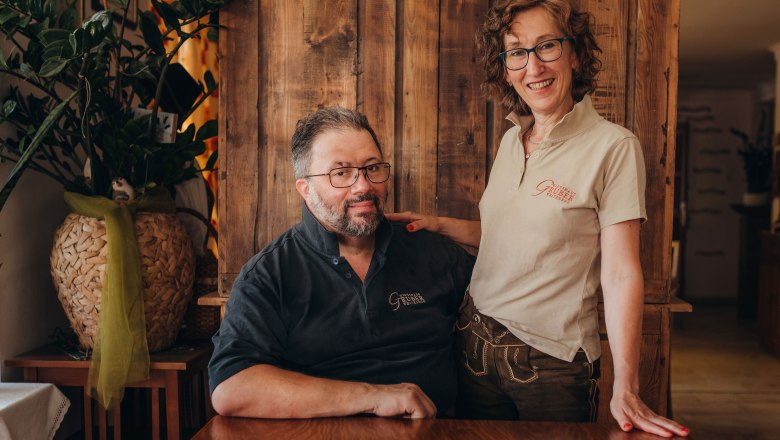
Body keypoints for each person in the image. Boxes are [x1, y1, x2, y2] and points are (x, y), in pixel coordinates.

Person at [386, 0, 689, 437]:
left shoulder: (614, 147)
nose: (533, 66)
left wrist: (626, 383)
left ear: (576, 54)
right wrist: (441, 225)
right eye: (517, 52)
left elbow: (621, 272)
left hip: (550, 364)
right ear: (506, 68)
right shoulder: (512, 141)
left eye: (547, 46)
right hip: (473, 344)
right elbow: (516, 237)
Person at [208, 107, 474, 419]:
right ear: (306, 189)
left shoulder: (434, 253)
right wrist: (373, 397)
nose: (363, 186)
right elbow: (231, 387)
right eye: (341, 173)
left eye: (372, 168)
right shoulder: (270, 273)